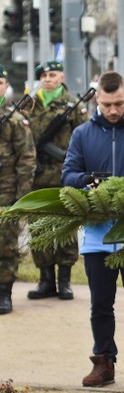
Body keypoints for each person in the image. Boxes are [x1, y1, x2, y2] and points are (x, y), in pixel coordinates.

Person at [61, 71, 124, 389]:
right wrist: (89, 179)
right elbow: (68, 175)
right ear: (96, 99)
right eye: (106, 104)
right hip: (97, 234)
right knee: (100, 304)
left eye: (118, 103)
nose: (113, 110)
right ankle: (103, 362)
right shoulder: (83, 134)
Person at [23, 60, 88, 301]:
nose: (47, 78)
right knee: (38, 229)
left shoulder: (73, 106)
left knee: (66, 229)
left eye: (52, 74)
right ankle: (45, 280)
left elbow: (83, 139)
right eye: (44, 75)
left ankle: (65, 281)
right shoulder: (27, 106)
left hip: (64, 176)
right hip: (36, 177)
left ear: (61, 77)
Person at [0, 64, 36, 315]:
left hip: (6, 193)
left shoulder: (14, 119)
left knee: (6, 245)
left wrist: (21, 198)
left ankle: (4, 292)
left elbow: (26, 159)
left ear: (5, 86)